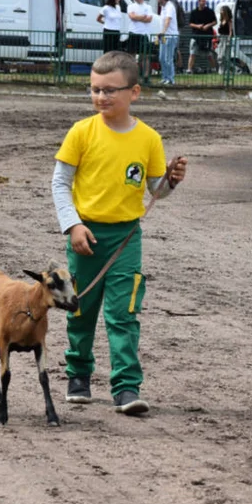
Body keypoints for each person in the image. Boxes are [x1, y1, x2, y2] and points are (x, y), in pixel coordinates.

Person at [51, 51, 188, 415]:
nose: (101, 98)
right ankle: (78, 375)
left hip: (126, 239)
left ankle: (126, 387)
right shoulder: (81, 132)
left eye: (110, 90)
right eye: (95, 90)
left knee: (123, 313)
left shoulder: (148, 139)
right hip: (84, 238)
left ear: (135, 92)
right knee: (80, 311)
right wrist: (73, 225)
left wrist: (171, 181)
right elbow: (60, 183)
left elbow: (155, 191)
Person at [126, 0, 155, 84]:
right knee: (131, 56)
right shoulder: (131, 6)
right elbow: (132, 17)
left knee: (145, 56)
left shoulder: (148, 7)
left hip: (144, 34)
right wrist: (143, 17)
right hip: (133, 33)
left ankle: (146, 76)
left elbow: (149, 19)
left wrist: (138, 17)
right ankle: (132, 76)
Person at [187, 0, 217, 73]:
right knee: (192, 53)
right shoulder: (194, 12)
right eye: (202, 1)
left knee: (209, 54)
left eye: (204, 1)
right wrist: (198, 26)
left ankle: (214, 69)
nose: (203, 3)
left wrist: (208, 25)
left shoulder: (210, 11)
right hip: (195, 35)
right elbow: (190, 23)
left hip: (207, 36)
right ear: (198, 2)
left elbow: (215, 22)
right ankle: (189, 69)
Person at [157, 0, 179, 85]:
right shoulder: (163, 7)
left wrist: (163, 31)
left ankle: (171, 79)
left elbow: (168, 20)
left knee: (168, 58)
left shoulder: (170, 7)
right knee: (161, 57)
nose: (157, 0)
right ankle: (165, 77)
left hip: (170, 36)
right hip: (164, 36)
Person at [216, 5, 233, 74]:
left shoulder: (229, 21)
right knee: (220, 54)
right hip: (221, 38)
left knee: (225, 55)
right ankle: (221, 68)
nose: (220, 12)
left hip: (226, 38)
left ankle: (228, 69)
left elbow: (230, 31)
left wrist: (229, 39)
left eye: (222, 10)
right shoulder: (221, 20)